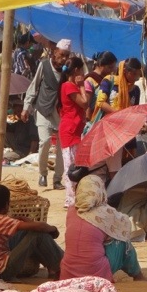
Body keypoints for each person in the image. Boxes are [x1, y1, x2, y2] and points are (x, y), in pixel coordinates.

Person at [0, 183, 62, 282]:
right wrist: (53, 229)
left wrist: (28, 224)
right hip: (1, 272)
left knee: (25, 232)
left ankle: (53, 265)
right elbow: (39, 227)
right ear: (6, 205)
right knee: (37, 235)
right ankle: (61, 265)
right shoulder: (1, 221)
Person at [61, 176, 144, 282]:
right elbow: (125, 225)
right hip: (96, 274)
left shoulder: (71, 210)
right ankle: (138, 276)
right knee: (124, 242)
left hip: (68, 273)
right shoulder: (105, 213)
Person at [22, 39, 69, 189]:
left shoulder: (67, 71)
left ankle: (57, 179)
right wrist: (26, 107)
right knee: (45, 141)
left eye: (66, 56)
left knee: (62, 146)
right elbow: (34, 86)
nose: (64, 59)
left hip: (60, 112)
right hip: (43, 109)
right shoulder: (44, 65)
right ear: (55, 53)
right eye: (62, 55)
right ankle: (43, 174)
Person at [57, 55, 89, 208]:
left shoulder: (68, 85)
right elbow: (84, 103)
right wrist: (82, 85)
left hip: (74, 129)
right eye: (81, 70)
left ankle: (74, 197)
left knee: (75, 164)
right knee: (71, 167)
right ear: (76, 70)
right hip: (70, 130)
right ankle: (70, 199)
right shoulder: (69, 86)